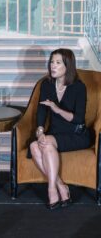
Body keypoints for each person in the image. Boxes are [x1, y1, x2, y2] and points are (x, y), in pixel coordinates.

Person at [29, 48, 93, 209]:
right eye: (51, 62)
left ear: (68, 66)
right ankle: (61, 186)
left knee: (46, 144)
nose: (53, 66)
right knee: (34, 145)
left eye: (58, 63)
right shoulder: (47, 84)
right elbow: (41, 111)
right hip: (55, 133)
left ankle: (51, 190)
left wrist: (56, 109)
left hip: (76, 134)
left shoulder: (79, 87)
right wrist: (40, 130)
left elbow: (78, 119)